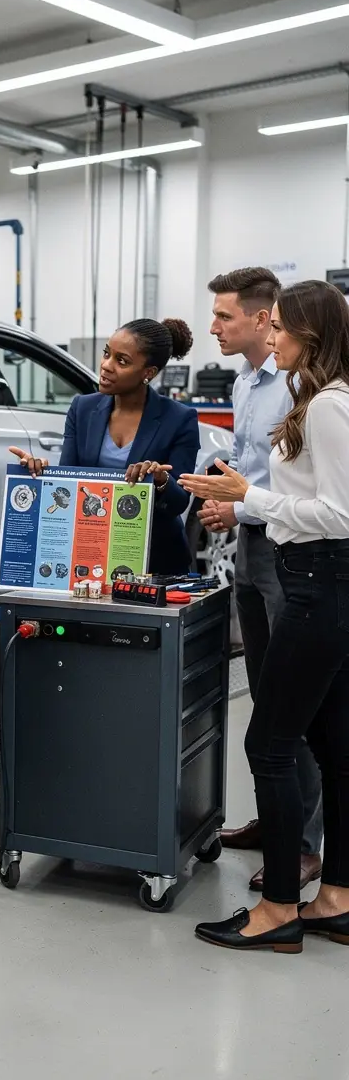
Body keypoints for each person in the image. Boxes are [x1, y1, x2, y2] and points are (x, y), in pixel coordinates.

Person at [181, 280, 349, 953]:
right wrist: (246, 495)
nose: (268, 335)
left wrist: (252, 495)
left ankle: (279, 907)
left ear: (309, 336)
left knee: (270, 746)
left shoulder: (330, 408)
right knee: (333, 747)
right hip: (317, 582)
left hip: (318, 587)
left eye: (277, 327)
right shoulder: (318, 402)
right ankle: (336, 896)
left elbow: (339, 517)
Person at [200, 268, 323, 892]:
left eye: (224, 316)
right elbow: (251, 466)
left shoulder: (302, 387)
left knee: (293, 699)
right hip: (251, 546)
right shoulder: (247, 380)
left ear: (260, 315)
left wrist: (238, 503)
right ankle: (275, 819)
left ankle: (303, 842)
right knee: (262, 688)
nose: (214, 327)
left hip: (288, 548)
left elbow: (297, 487)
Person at [11, 316, 200, 576]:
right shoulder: (82, 409)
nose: (106, 366)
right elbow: (70, 484)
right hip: (90, 556)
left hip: (155, 562)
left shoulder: (179, 419)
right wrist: (40, 473)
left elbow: (179, 502)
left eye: (121, 361)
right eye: (106, 354)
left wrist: (161, 480)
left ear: (148, 373)